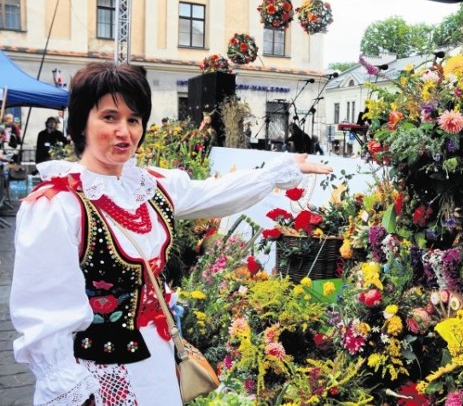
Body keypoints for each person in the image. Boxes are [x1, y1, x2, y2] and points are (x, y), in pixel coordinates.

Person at [10, 62, 332, 406]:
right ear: (80, 125)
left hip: (158, 360)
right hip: (98, 372)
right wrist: (70, 390)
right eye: (109, 117)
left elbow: (212, 193)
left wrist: (280, 170)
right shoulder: (57, 205)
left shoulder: (147, 187)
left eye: (133, 120)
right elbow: (44, 312)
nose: (125, 131)